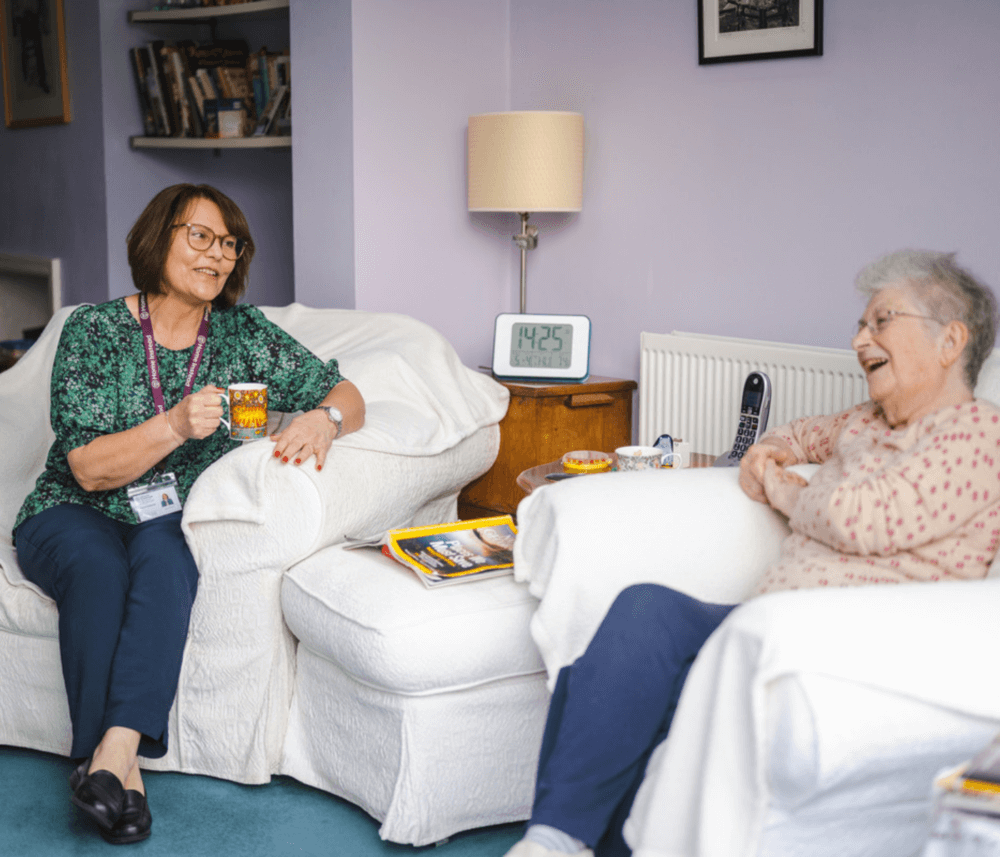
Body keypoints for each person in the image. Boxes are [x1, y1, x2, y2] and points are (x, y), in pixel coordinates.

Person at [504, 249, 1000, 857]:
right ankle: (552, 841)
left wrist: (788, 490)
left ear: (950, 340)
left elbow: (860, 517)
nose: (858, 339)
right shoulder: (866, 421)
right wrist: (771, 456)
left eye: (880, 321)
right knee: (640, 619)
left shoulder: (976, 434)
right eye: (861, 324)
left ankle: (572, 838)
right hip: (772, 621)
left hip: (859, 640)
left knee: (642, 672)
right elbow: (791, 437)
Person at [12, 183, 365, 845]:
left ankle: (111, 759)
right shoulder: (93, 330)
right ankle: (115, 769)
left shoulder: (243, 335)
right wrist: (174, 424)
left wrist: (325, 418)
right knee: (97, 567)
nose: (217, 254)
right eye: (198, 236)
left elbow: (344, 389)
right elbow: (87, 466)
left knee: (168, 563)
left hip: (165, 514)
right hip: (70, 508)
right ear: (159, 239)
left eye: (229, 243)